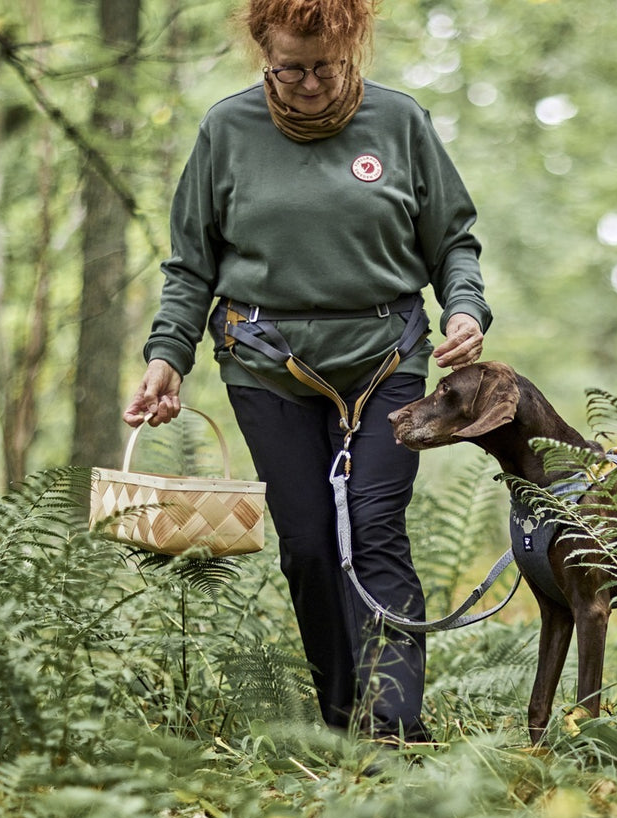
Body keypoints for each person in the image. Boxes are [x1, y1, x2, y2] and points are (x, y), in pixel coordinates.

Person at [123, 0, 490, 744]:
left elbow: (453, 240)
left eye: (325, 66)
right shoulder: (227, 130)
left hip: (385, 359)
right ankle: (340, 716)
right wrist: (167, 357)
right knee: (310, 545)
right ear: (264, 51)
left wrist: (464, 311)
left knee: (376, 529)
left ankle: (392, 729)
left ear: (350, 48)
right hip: (267, 367)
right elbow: (190, 267)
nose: (310, 82)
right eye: (290, 67)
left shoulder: (400, 122)